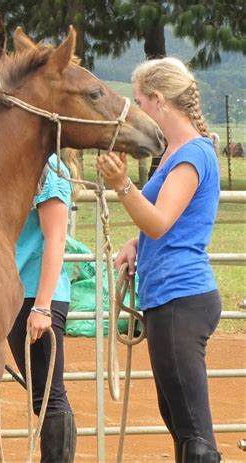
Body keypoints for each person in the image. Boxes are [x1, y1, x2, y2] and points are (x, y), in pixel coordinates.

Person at [97, 57, 222, 463]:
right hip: (170, 297)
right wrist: (137, 243)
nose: (137, 112)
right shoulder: (177, 152)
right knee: (180, 421)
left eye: (138, 102)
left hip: (179, 298)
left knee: (193, 432)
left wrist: (122, 185)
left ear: (158, 100)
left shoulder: (189, 156)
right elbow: (168, 225)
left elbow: (161, 222)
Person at [8, 149, 80, 462]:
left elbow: (56, 239)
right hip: (17, 293)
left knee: (48, 396)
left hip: (35, 294)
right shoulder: (23, 161)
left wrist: (42, 306)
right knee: (45, 396)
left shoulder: (49, 168)